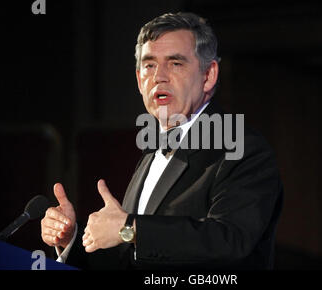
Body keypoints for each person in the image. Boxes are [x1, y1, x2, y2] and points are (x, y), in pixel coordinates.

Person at [40, 12, 284, 270]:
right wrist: (72, 241)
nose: (159, 77)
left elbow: (229, 241)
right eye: (149, 65)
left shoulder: (241, 147)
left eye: (175, 63)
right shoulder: (151, 154)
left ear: (209, 75)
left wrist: (129, 228)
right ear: (138, 80)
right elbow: (133, 258)